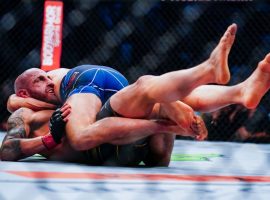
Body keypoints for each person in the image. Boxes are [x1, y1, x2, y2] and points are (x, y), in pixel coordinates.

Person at [4, 23, 270, 166]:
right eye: (40, 79)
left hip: (99, 113)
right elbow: (7, 150)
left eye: (47, 75)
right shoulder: (26, 114)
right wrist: (50, 139)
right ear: (27, 93)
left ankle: (206, 70)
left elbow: (17, 98)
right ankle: (239, 91)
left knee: (86, 132)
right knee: (153, 96)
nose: (48, 80)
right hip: (138, 150)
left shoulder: (60, 94)